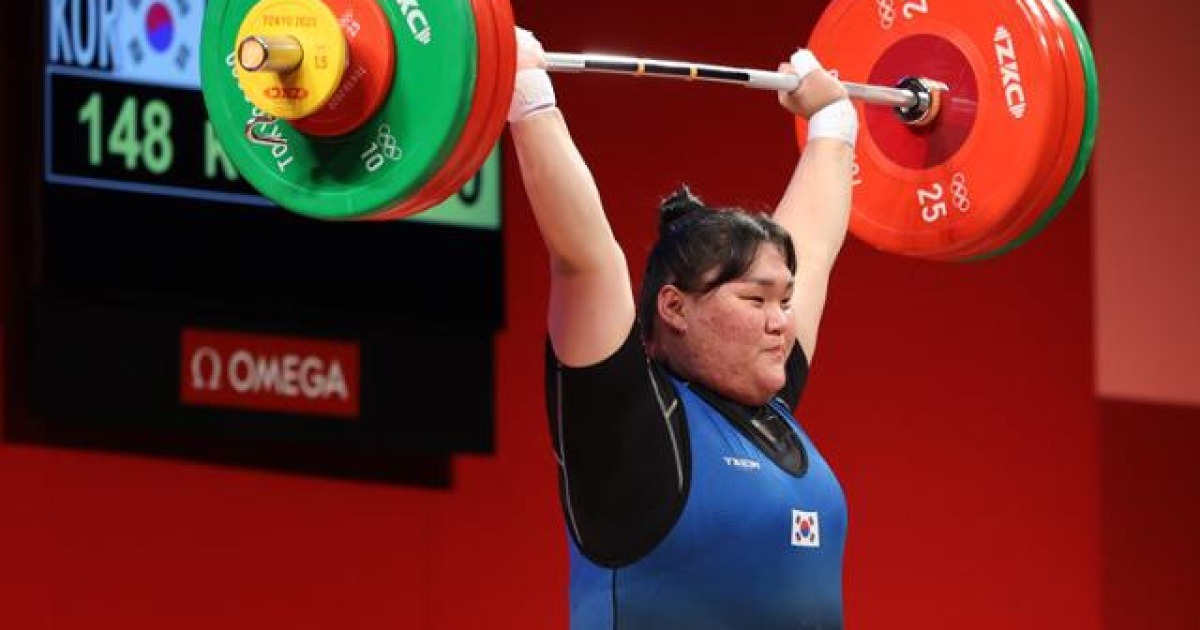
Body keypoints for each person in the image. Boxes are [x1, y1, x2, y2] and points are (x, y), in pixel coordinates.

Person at [507, 26, 857, 630]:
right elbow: (584, 259)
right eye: (755, 299)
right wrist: (527, 96)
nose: (781, 321)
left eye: (784, 300)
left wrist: (833, 120)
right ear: (674, 308)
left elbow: (816, 248)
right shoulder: (632, 428)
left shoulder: (767, 408)